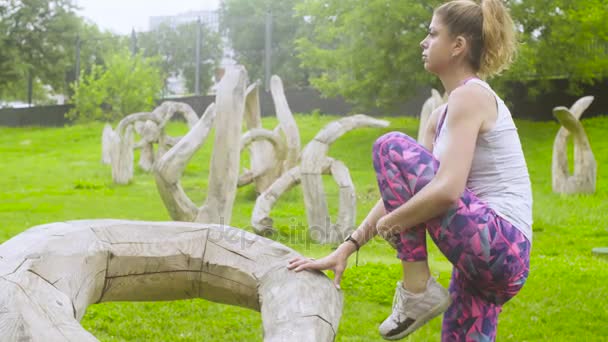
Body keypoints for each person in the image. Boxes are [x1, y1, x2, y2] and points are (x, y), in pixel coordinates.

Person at [287, 0, 532, 341]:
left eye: (433, 34)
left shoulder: (471, 97)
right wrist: (347, 247)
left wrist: (394, 223)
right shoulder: (439, 118)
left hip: (503, 244)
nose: (424, 41)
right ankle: (418, 290)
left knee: (389, 146)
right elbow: (401, 194)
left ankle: (417, 288)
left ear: (458, 45)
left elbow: (447, 191)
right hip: (480, 263)